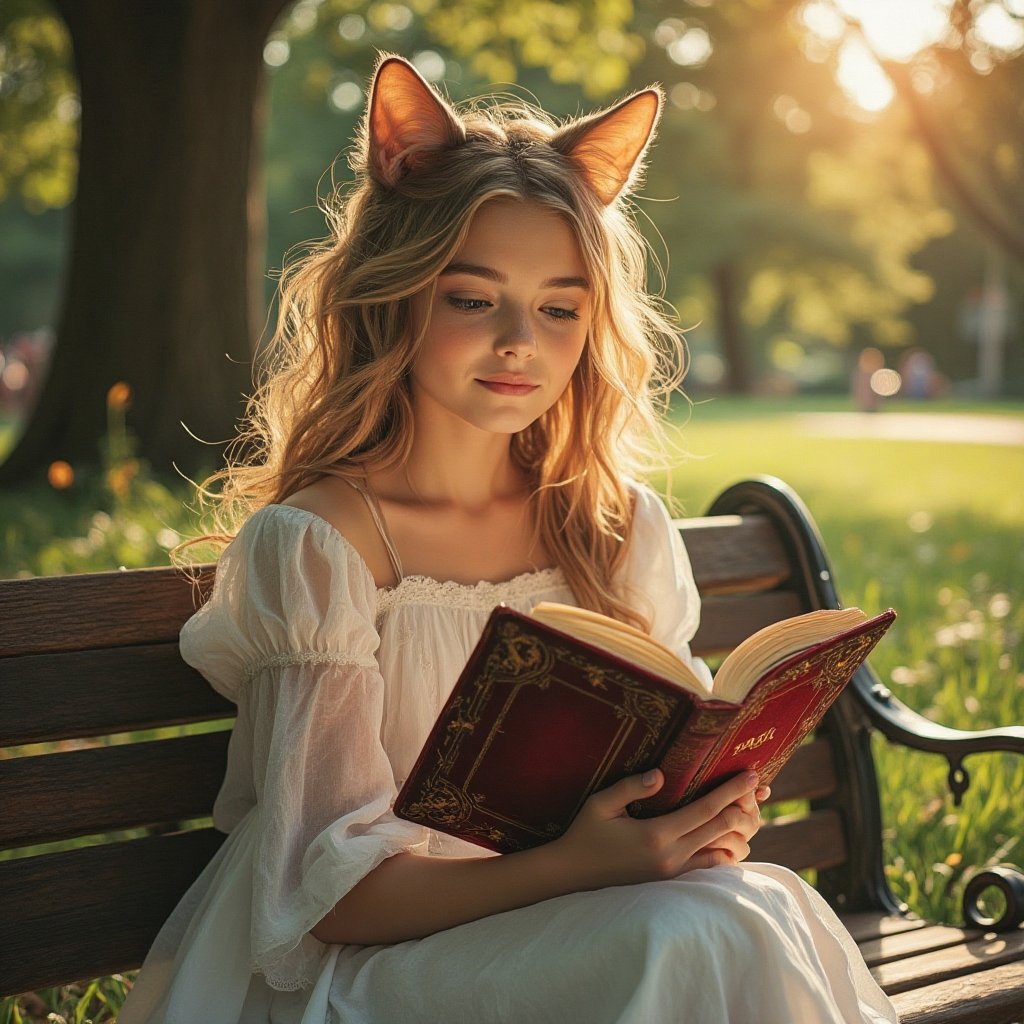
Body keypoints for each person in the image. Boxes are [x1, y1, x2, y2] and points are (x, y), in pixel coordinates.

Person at [120, 54, 898, 1024]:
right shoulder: (322, 544)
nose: (518, 341)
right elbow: (324, 904)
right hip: (369, 969)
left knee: (744, 906)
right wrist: (574, 862)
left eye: (558, 307)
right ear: (394, 289)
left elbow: (655, 796)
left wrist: (697, 819)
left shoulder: (613, 532)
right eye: (471, 297)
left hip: (587, 930)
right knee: (703, 932)